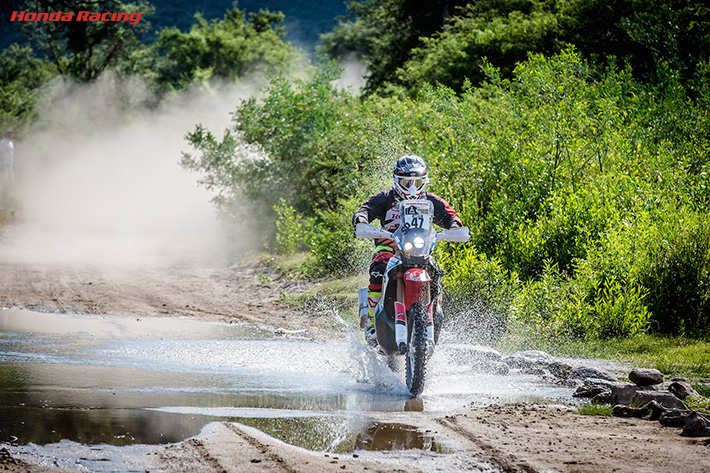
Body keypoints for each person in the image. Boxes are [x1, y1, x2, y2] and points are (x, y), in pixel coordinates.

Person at [352, 154, 463, 345]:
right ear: (397, 180)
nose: (412, 187)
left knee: (436, 274)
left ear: (424, 181)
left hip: (420, 250)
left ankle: (434, 315)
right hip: (389, 247)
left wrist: (454, 228)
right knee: (379, 268)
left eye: (417, 181)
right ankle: (371, 320)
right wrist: (361, 221)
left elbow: (450, 215)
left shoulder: (431, 200)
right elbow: (365, 210)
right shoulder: (385, 198)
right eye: (406, 181)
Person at [0, 130, 15, 198]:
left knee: (11, 180)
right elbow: (1, 152)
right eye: (10, 134)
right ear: (7, 135)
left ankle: (9, 195)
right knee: (4, 179)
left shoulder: (11, 143)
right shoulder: (3, 143)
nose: (11, 135)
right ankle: (3, 195)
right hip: (4, 164)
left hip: (10, 164)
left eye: (12, 134)